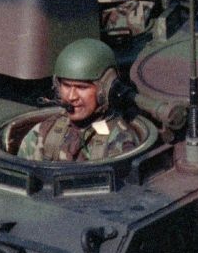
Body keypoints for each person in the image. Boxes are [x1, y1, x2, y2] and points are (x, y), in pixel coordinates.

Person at [15, 39, 149, 161]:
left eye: (82, 87)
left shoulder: (119, 143)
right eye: (66, 86)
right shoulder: (44, 132)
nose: (72, 96)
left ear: (105, 89)